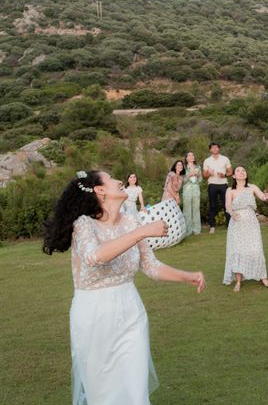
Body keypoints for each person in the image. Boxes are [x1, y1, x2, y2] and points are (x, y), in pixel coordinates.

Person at [42, 170, 205, 405]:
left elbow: (150, 266)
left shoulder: (131, 221)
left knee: (134, 388)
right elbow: (95, 256)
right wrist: (142, 232)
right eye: (111, 178)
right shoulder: (84, 224)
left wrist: (187, 276)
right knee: (104, 393)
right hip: (94, 315)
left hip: (131, 312)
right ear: (99, 190)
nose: (119, 181)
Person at [223, 166, 268, 291]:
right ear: (233, 176)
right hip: (237, 223)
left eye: (244, 170)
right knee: (238, 250)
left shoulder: (252, 187)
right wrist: (232, 213)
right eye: (238, 171)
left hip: (251, 222)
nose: (241, 172)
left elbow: (262, 196)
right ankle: (238, 281)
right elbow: (227, 205)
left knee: (256, 248)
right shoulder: (230, 190)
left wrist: (265, 196)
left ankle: (262, 276)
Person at [203, 142, 232, 234]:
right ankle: (212, 226)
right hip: (212, 184)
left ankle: (229, 225)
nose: (215, 149)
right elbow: (204, 175)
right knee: (212, 206)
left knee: (226, 205)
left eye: (216, 147)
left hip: (223, 184)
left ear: (219, 149)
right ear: (210, 150)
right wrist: (209, 174)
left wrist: (225, 175)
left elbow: (231, 172)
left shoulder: (225, 159)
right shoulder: (207, 160)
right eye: (213, 148)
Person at [182, 151, 202, 236]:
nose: (191, 156)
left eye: (192, 155)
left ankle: (196, 230)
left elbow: (200, 180)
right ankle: (187, 230)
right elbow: (182, 181)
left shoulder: (198, 167)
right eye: (189, 155)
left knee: (196, 209)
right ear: (186, 158)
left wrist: (197, 176)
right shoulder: (183, 168)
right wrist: (189, 175)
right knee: (187, 210)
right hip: (187, 190)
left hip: (196, 189)